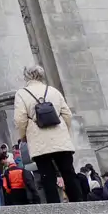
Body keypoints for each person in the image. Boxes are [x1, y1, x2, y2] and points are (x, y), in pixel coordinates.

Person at [14, 64, 82, 204]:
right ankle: (79, 201)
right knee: (68, 172)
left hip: (39, 139)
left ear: (26, 76)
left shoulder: (22, 93)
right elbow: (67, 114)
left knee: (47, 175)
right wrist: (64, 130)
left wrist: (23, 135)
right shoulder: (53, 91)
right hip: (60, 138)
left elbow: (20, 119)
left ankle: (54, 205)